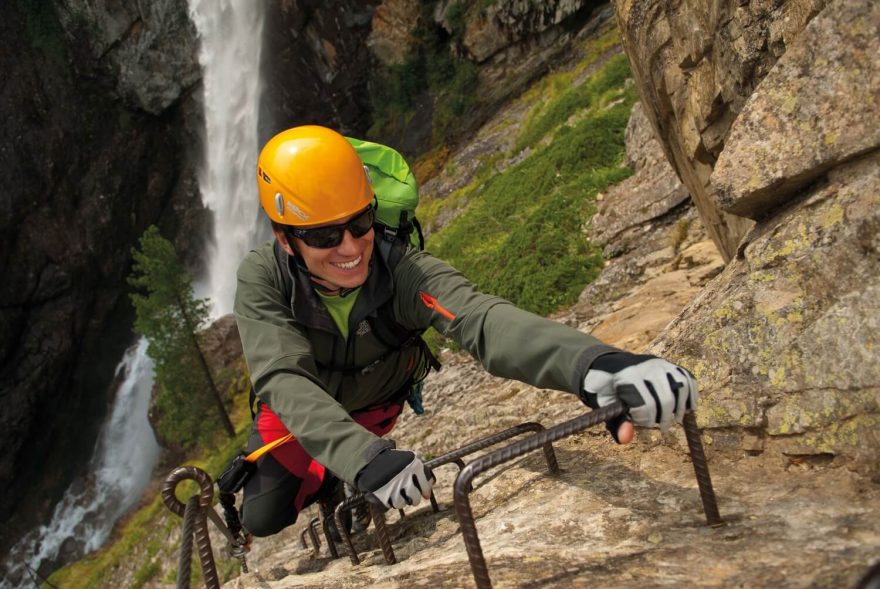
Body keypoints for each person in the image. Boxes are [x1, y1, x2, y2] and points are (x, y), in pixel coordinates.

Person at [233, 125, 698, 538]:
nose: (351, 248)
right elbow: (283, 376)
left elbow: (480, 319)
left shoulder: (401, 270)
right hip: (301, 406)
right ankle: (334, 479)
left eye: (360, 222)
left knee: (335, 471)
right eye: (324, 237)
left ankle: (343, 472)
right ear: (284, 238)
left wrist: (594, 365)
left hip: (375, 400)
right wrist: (362, 458)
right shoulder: (264, 279)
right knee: (262, 515)